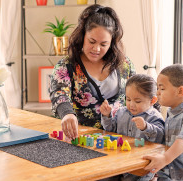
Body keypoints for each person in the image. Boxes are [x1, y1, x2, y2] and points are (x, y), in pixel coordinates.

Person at [49, 4, 135, 140]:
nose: (96, 49)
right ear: (83, 36)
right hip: (81, 139)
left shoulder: (124, 65)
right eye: (92, 41)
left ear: (111, 43)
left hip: (121, 139)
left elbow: (141, 90)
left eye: (103, 44)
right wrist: (67, 114)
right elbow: (59, 94)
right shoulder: (66, 66)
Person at [98, 74, 165, 181]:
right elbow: (111, 129)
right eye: (128, 99)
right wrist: (107, 116)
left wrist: (146, 127)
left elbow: (160, 137)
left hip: (140, 164)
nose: (131, 104)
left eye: (137, 101)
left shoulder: (154, 117)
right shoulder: (121, 112)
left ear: (153, 100)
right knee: (103, 178)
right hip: (118, 160)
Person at [143, 64, 183, 181]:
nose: (157, 93)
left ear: (180, 91)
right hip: (168, 178)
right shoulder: (171, 113)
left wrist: (165, 158)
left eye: (162, 88)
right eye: (157, 88)